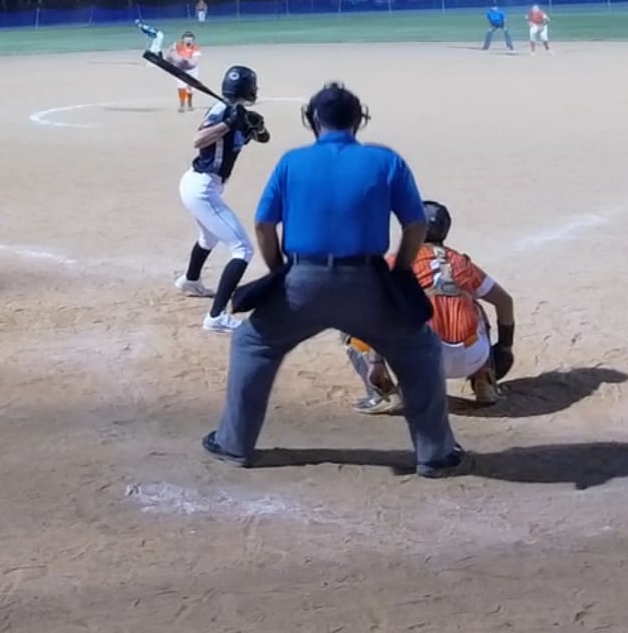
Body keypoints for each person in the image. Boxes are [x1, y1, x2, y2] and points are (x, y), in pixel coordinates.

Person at [203, 82, 464, 478]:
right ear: (359, 120)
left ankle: (233, 443)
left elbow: (264, 225)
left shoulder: (292, 162)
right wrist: (400, 271)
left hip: (302, 282)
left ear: (313, 120)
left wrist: (279, 272)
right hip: (368, 282)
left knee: (252, 344)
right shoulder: (385, 160)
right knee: (419, 350)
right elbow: (414, 225)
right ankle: (435, 454)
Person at [343, 201, 516, 414]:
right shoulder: (460, 262)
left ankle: (383, 393)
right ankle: (485, 381)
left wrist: (376, 362)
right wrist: (505, 348)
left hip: (421, 360)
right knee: (475, 308)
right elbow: (505, 302)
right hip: (471, 358)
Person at [173, 66, 270, 332]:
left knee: (209, 238)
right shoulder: (221, 111)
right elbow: (198, 140)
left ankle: (190, 280)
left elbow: (263, 137)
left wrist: (254, 127)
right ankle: (215, 317)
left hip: (204, 186)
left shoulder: (237, 113)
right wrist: (229, 123)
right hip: (201, 187)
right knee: (242, 249)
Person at [171, 31, 202, 112]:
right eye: (186, 40)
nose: (188, 41)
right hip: (181, 70)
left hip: (192, 70)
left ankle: (189, 103)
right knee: (181, 86)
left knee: (190, 87)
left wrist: (186, 61)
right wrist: (177, 60)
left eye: (190, 40)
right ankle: (182, 104)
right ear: (183, 40)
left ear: (193, 41)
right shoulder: (177, 46)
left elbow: (194, 62)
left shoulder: (196, 48)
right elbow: (171, 56)